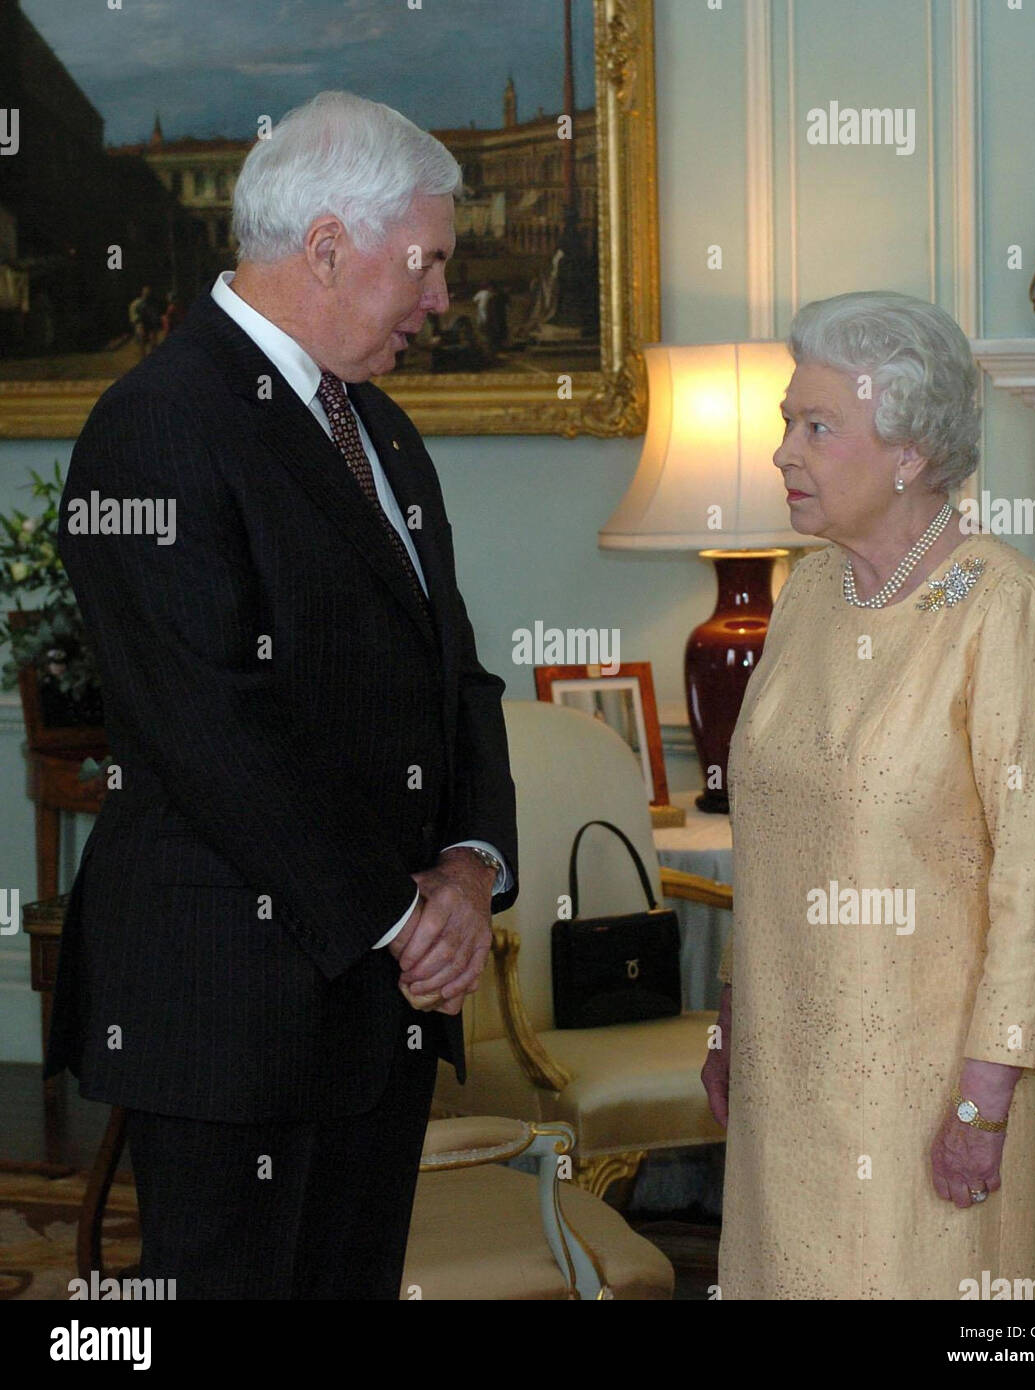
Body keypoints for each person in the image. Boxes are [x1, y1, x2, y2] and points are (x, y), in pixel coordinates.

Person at [46, 91, 518, 1300]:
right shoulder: (154, 427)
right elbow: (212, 731)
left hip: (379, 1005)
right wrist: (403, 917)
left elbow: (451, 673)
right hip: (229, 1008)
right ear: (324, 245)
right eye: (426, 265)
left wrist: (468, 869)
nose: (441, 301)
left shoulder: (384, 433)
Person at [701, 290, 1035, 1299]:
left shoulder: (1001, 610)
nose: (784, 452)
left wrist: (985, 1095)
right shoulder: (809, 596)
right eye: (787, 423)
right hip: (782, 1075)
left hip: (930, 1089)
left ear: (910, 452)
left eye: (816, 426)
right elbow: (773, 838)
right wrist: (728, 1018)